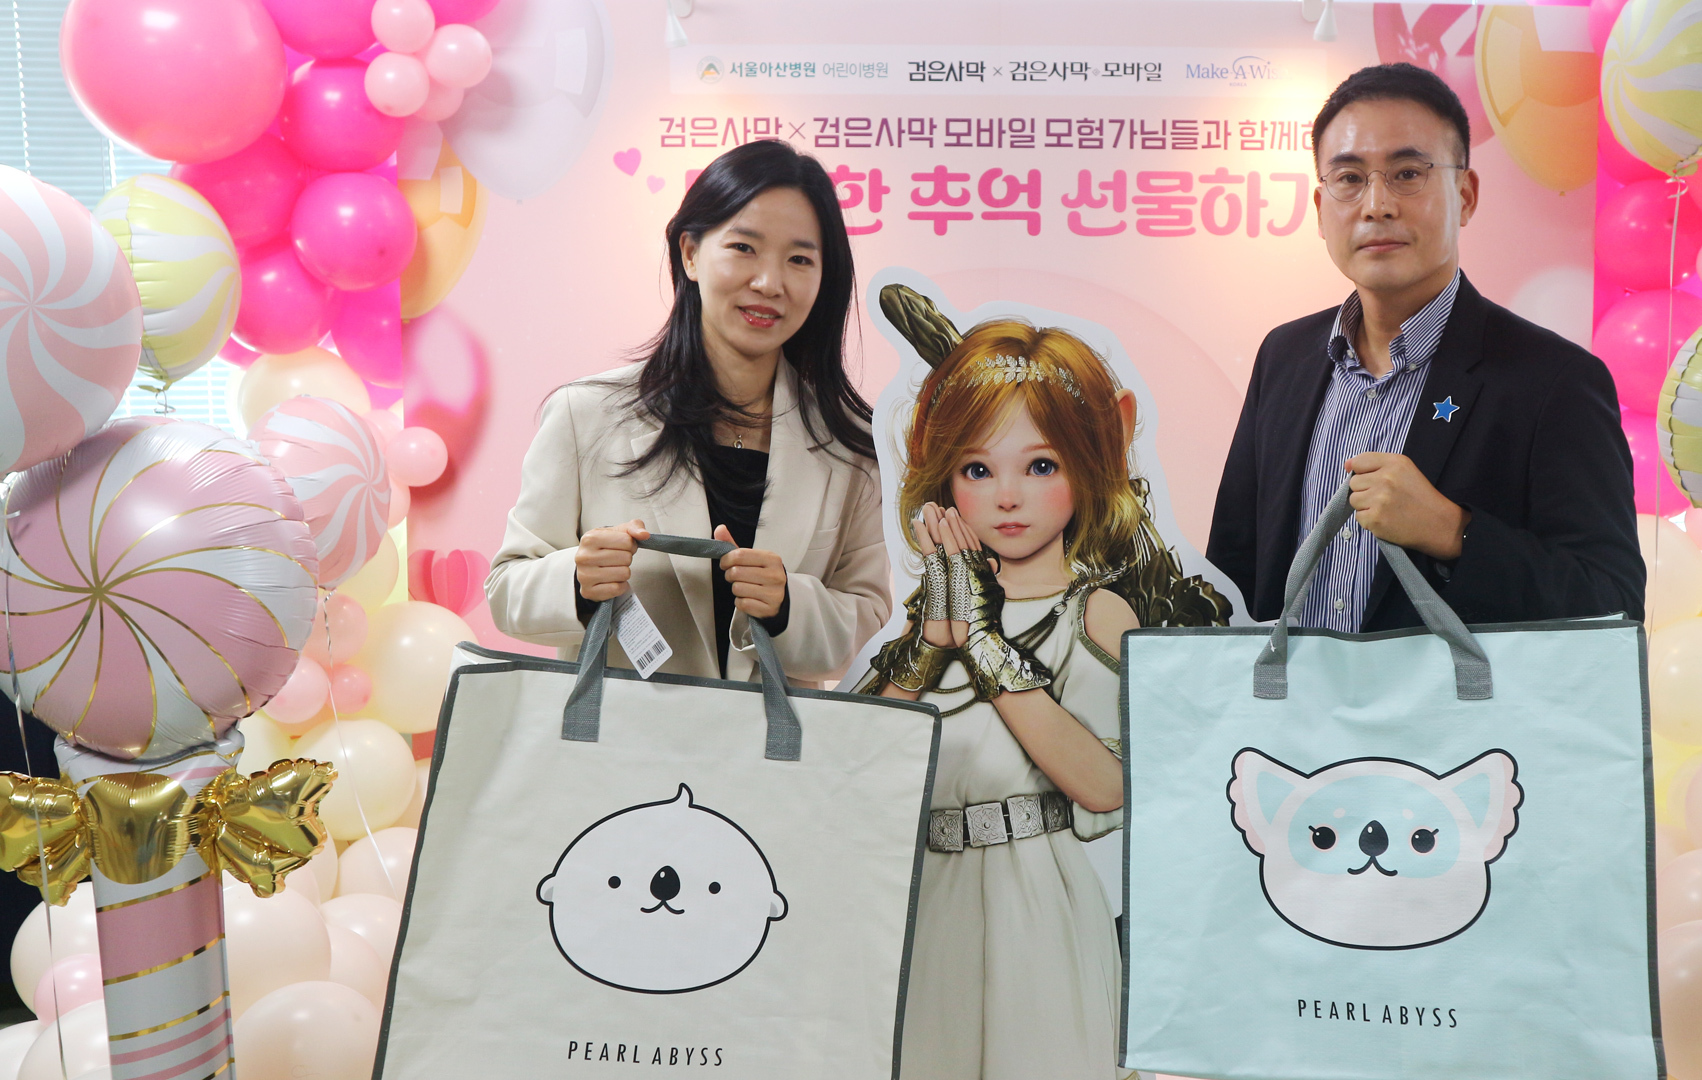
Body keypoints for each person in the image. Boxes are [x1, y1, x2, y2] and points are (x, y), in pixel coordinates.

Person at [858, 286, 1226, 1080]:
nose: (1008, 495)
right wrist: (930, 644)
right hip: (926, 903)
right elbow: (860, 768)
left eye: (1041, 465)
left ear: (1088, 467)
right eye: (977, 468)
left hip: (1039, 902)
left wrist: (984, 643)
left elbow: (1104, 783)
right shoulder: (931, 618)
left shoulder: (1097, 613)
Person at [1207, 63, 1644, 630]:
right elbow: (1233, 570)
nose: (1376, 205)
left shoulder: (1554, 380)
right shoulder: (1284, 356)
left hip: (1454, 691)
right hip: (1290, 689)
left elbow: (1612, 603)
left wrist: (1453, 531)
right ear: (1319, 210)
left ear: (1465, 195)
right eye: (1349, 178)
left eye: (1408, 173)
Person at [487, 140, 887, 686]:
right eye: (744, 248)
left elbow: (870, 627)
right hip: (624, 736)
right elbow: (507, 589)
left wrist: (789, 606)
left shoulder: (852, 445)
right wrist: (577, 579)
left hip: (776, 740)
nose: (769, 283)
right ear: (691, 253)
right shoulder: (587, 414)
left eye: (799, 259)